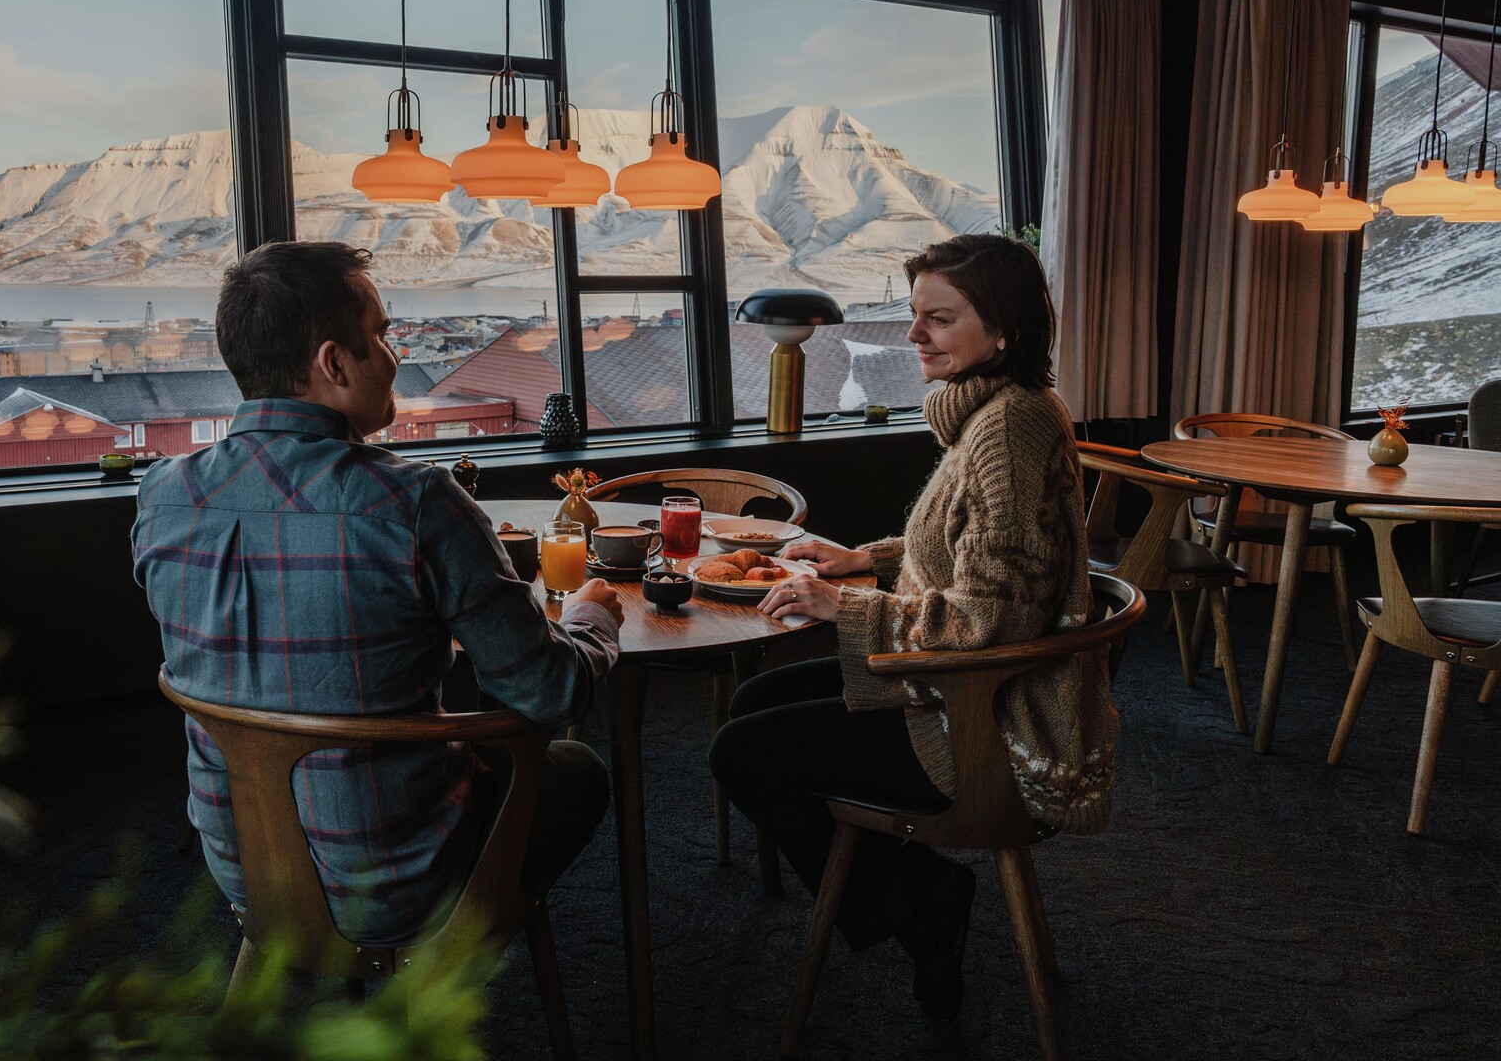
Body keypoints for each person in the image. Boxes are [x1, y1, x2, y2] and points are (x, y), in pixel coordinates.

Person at [133, 240, 622, 947]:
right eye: (385, 335)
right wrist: (591, 623)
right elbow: (550, 694)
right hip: (393, 888)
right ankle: (454, 952)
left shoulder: (162, 496)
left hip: (244, 871)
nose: (395, 356)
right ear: (334, 364)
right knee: (576, 769)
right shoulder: (416, 500)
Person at [709, 233, 1109, 1021]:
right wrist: (863, 559)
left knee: (741, 752)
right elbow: (964, 549)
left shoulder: (1009, 430)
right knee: (753, 708)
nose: (914, 336)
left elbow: (992, 616)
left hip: (982, 719)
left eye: (940, 319)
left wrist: (846, 607)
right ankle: (916, 889)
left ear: (1006, 332)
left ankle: (921, 898)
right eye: (914, 315)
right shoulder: (993, 411)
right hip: (951, 683)